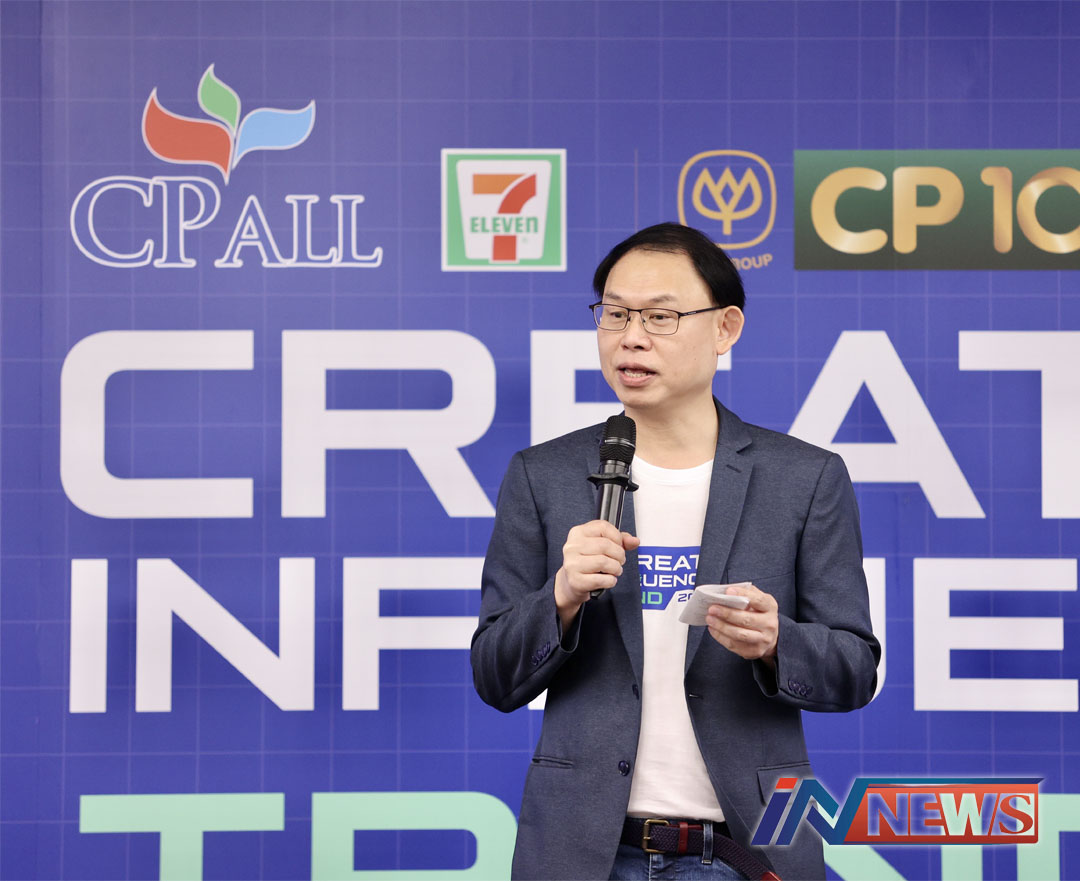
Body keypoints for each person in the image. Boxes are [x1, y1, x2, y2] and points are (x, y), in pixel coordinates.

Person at [471, 223, 880, 881]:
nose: (631, 337)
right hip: (583, 856)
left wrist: (777, 642)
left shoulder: (804, 478)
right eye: (615, 314)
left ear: (725, 328)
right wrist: (561, 599)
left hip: (742, 853)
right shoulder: (542, 476)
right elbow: (494, 677)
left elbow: (855, 670)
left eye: (660, 317)